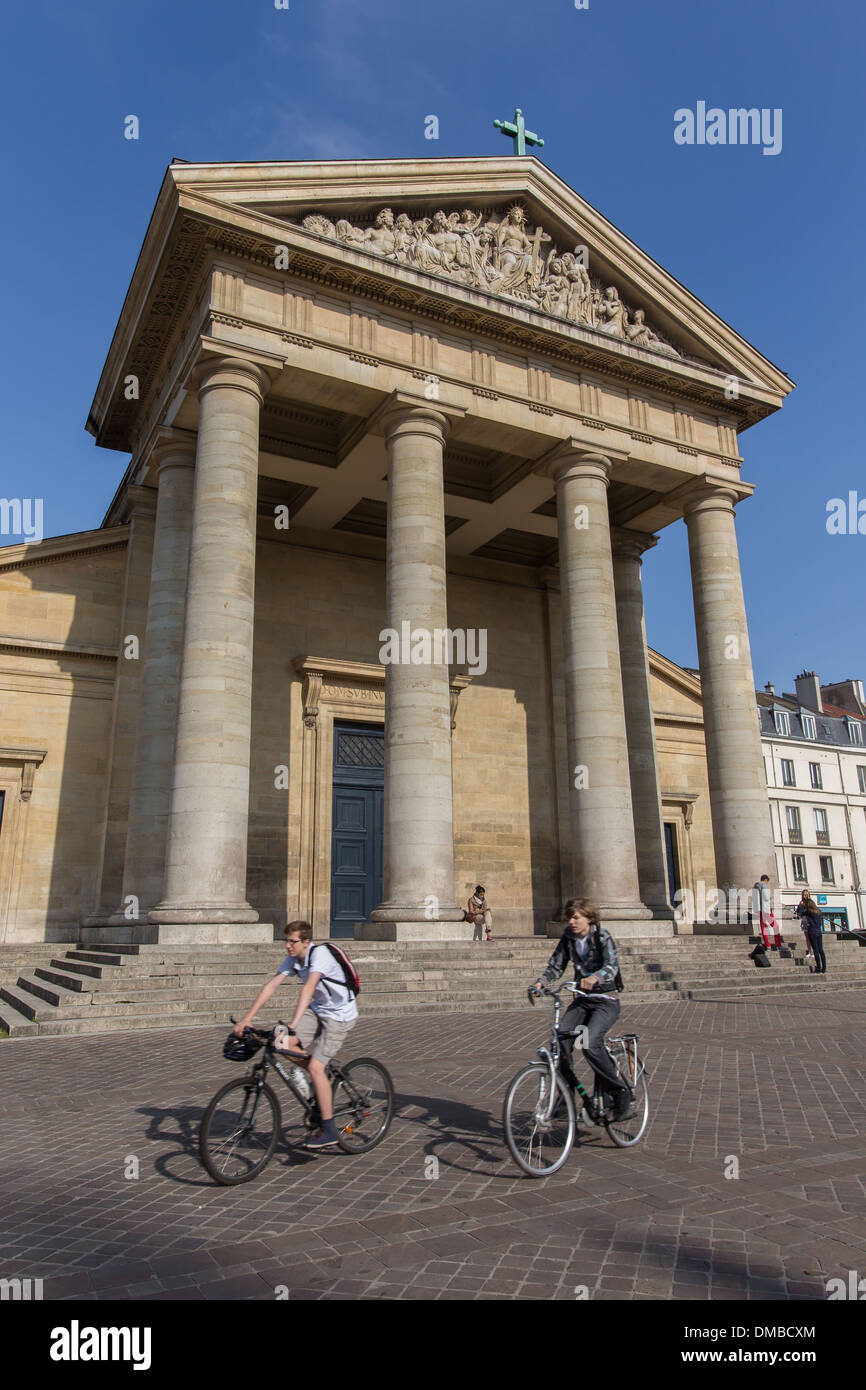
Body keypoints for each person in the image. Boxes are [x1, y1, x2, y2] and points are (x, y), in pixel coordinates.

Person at [233, 920, 358, 1149]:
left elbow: (308, 987)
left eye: (293, 941)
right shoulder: (293, 958)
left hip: (340, 1015)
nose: (288, 946)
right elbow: (272, 985)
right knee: (281, 1043)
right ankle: (318, 1085)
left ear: (306, 942)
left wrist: (293, 1023)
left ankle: (329, 1130)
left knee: (315, 1067)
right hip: (318, 1009)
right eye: (286, 941)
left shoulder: (319, 955)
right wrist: (247, 1018)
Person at [531, 898, 633, 1121]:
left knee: (590, 1042)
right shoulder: (568, 937)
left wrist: (595, 977)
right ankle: (564, 1099)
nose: (571, 921)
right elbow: (556, 965)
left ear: (589, 918)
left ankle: (619, 1091)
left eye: (576, 917)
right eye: (570, 917)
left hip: (606, 999)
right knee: (560, 1041)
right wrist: (541, 983)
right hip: (582, 999)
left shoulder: (602, 936)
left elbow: (612, 966)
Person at [752, 874, 782, 949]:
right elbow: (766, 897)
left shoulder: (755, 887)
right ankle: (778, 944)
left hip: (759, 910)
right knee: (775, 926)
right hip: (766, 909)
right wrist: (770, 897)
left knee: (763, 927)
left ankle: (767, 945)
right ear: (766, 880)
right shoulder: (764, 886)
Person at [800, 896, 827, 974]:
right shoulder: (818, 911)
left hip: (812, 931)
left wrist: (801, 905)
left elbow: (801, 913)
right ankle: (824, 967)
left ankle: (818, 967)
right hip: (819, 931)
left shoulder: (809, 911)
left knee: (815, 950)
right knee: (821, 950)